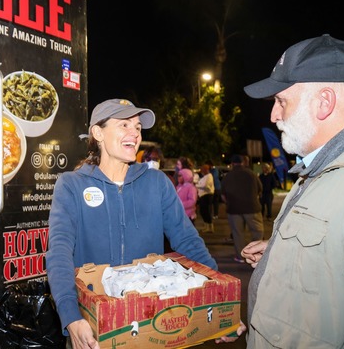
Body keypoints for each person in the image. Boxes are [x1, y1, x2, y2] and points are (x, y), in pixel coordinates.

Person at [46, 99, 232, 349]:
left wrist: (222, 296)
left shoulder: (157, 183)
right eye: (124, 125)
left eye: (137, 127)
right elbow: (58, 253)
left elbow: (188, 241)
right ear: (98, 133)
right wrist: (70, 318)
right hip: (94, 324)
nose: (134, 133)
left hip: (152, 322)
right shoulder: (71, 185)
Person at [241, 34, 344, 348]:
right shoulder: (323, 163)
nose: (273, 115)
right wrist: (283, 250)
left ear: (324, 101)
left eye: (282, 101)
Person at [221, 155, 263, 263]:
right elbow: (260, 189)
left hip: (234, 209)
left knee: (237, 233)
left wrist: (229, 202)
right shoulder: (252, 174)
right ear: (243, 163)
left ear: (232, 164)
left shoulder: (228, 176)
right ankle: (255, 253)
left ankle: (241, 256)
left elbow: (223, 195)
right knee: (257, 232)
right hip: (252, 208)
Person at [196, 163, 215, 233]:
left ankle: (209, 227)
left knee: (206, 211)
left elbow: (205, 185)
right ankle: (207, 226)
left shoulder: (209, 176)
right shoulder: (205, 177)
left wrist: (196, 185)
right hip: (203, 196)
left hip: (206, 195)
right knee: (203, 211)